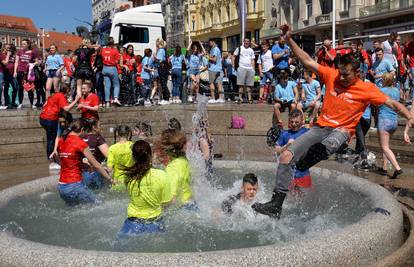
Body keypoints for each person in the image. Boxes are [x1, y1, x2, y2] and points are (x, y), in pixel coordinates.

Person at [252, 24, 414, 219]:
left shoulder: (366, 89)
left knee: (333, 141)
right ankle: (276, 205)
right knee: (286, 156)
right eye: (340, 73)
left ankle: (318, 154)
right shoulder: (332, 75)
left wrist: (410, 116)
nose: (342, 77)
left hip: (342, 132)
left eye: (346, 74)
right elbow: (306, 60)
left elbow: (393, 103)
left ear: (358, 73)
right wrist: (289, 39)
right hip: (320, 127)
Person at [119, 140, 171, 235]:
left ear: (133, 157)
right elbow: (167, 203)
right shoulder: (162, 175)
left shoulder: (129, 177)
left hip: (133, 223)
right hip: (155, 223)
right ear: (150, 156)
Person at [57, 119, 114, 206]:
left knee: (75, 211)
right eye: (85, 132)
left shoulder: (61, 140)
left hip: (61, 187)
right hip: (75, 185)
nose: (85, 135)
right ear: (82, 130)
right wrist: (110, 179)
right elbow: (96, 165)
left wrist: (81, 164)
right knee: (101, 205)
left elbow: (64, 159)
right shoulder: (80, 143)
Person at [39, 83, 79, 167]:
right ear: (67, 91)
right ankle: (51, 159)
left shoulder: (55, 95)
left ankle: (54, 156)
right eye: (69, 91)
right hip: (49, 119)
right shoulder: (60, 96)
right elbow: (67, 108)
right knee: (51, 139)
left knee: (52, 138)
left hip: (43, 118)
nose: (70, 92)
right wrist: (76, 100)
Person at [274, 110, 312, 190]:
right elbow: (277, 151)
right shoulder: (285, 134)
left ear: (302, 121)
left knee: (304, 199)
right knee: (287, 199)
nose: (294, 124)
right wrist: (287, 145)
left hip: (303, 174)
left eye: (296, 122)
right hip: (288, 174)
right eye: (292, 122)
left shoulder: (307, 132)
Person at [157, 129, 193, 208]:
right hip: (190, 203)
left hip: (183, 208)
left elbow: (172, 198)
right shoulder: (184, 160)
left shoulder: (173, 167)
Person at [376, 73, 403, 179]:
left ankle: (397, 168)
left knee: (384, 146)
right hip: (394, 121)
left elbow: (377, 103)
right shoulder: (396, 91)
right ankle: (384, 167)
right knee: (386, 145)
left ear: (384, 80)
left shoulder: (381, 91)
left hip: (384, 120)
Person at [81, 119, 109, 189]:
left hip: (82, 173)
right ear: (94, 127)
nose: (101, 127)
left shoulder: (80, 138)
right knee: (100, 197)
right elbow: (108, 155)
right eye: (99, 125)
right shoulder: (97, 138)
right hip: (95, 172)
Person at [13, 39, 39, 109]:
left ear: (28, 44)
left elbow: (37, 62)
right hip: (20, 71)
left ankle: (31, 103)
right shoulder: (19, 51)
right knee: (20, 88)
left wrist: (32, 64)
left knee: (29, 88)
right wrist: (15, 71)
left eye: (24, 44)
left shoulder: (32, 52)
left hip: (28, 72)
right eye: (22, 44)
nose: (23, 45)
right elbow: (16, 62)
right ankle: (20, 103)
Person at [107, 125, 134, 191]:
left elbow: (109, 169)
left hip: (118, 182)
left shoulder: (112, 148)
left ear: (117, 133)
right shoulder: (133, 145)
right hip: (132, 181)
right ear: (129, 133)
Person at [233, 38, 256, 104]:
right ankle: (240, 98)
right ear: (243, 42)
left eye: (248, 41)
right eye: (245, 41)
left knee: (249, 85)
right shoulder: (239, 48)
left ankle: (249, 98)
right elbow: (233, 56)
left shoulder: (251, 50)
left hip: (250, 68)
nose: (246, 42)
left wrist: (253, 69)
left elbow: (252, 60)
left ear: (249, 42)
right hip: (241, 67)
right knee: (241, 84)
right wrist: (233, 65)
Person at [101, 37, 121, 106]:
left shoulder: (103, 50)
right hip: (112, 68)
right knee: (116, 85)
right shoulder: (115, 50)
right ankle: (115, 98)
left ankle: (107, 102)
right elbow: (117, 60)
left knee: (107, 86)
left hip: (105, 68)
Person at [208, 39, 225, 104]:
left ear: (213, 42)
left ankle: (213, 98)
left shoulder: (215, 49)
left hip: (213, 69)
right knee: (219, 84)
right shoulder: (217, 49)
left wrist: (207, 57)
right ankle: (220, 98)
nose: (209, 44)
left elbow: (214, 59)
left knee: (211, 83)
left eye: (210, 42)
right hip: (219, 69)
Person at [3, 44, 18, 109]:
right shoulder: (3, 55)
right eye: (7, 48)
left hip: (12, 74)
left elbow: (16, 63)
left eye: (9, 48)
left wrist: (15, 71)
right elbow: (4, 63)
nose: (8, 49)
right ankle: (7, 102)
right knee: (6, 88)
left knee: (15, 88)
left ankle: (13, 102)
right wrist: (8, 55)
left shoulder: (14, 55)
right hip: (6, 73)